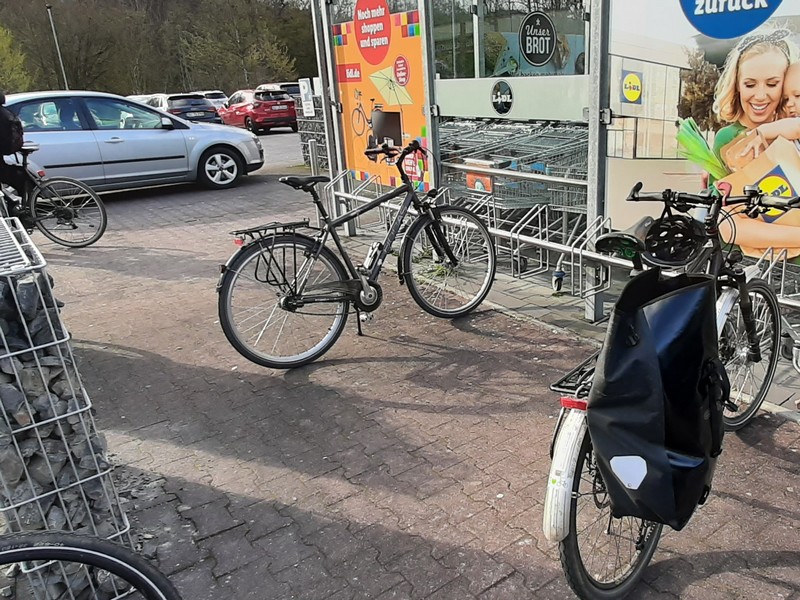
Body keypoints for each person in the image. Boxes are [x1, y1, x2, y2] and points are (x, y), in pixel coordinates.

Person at [710, 29, 800, 257]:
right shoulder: (729, 140)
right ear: (737, 85)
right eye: (750, 84)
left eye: (772, 84)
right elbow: (729, 226)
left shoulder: (792, 130)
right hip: (747, 266)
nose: (760, 96)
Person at [0, 91, 27, 197]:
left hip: (5, 146)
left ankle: (24, 183)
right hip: (9, 145)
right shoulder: (5, 112)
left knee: (4, 174)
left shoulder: (2, 115)